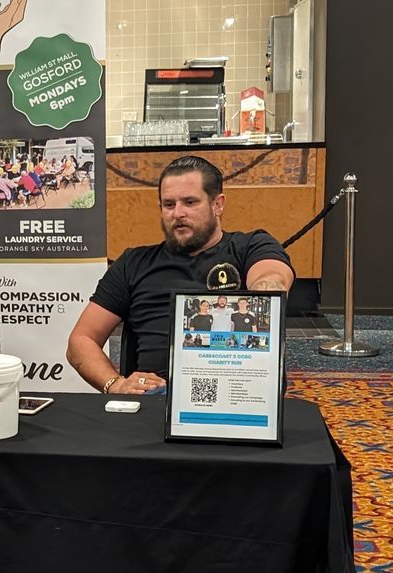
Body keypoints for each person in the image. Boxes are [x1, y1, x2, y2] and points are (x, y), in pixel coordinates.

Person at [66, 155, 294, 394]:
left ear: (218, 204)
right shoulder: (133, 264)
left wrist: (267, 289)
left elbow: (271, 275)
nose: (178, 213)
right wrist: (116, 384)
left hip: (237, 391)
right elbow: (81, 341)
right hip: (156, 399)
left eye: (190, 202)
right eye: (169, 204)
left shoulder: (250, 247)